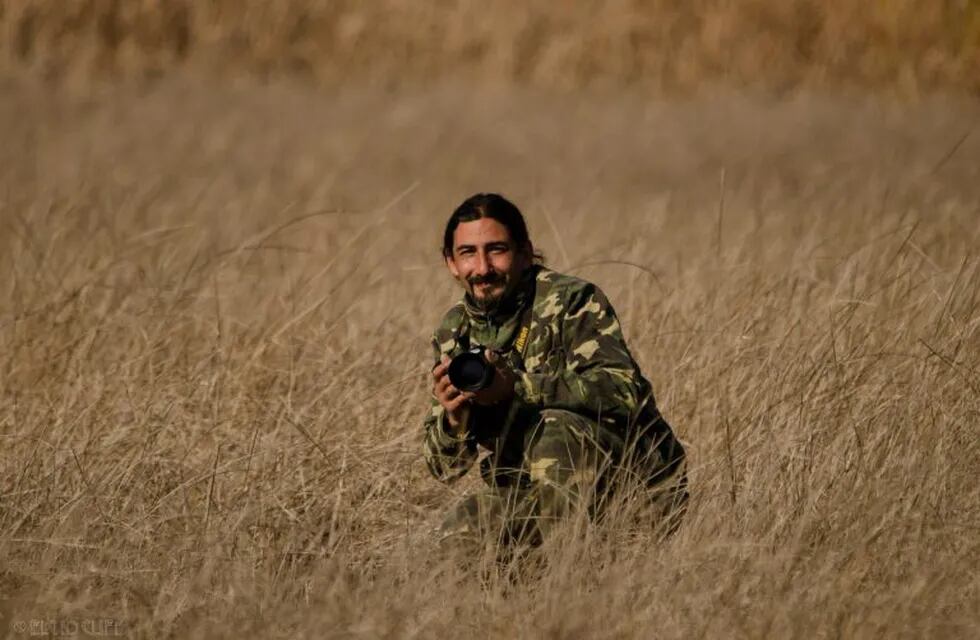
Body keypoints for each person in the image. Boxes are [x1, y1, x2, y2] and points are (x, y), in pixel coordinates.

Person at [422, 193, 687, 552]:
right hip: (528, 487)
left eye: (496, 249)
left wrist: (515, 387)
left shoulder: (572, 300)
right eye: (468, 253)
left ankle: (575, 570)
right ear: (451, 263)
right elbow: (445, 470)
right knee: (459, 533)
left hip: (632, 482)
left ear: (525, 252)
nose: (482, 268)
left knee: (554, 428)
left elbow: (626, 390)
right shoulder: (454, 331)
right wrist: (455, 421)